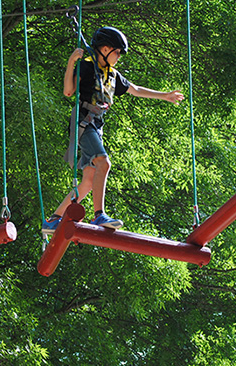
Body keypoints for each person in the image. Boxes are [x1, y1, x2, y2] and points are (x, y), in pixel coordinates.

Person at [42, 26, 184, 234]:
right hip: (83, 120)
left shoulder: (112, 75)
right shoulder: (87, 67)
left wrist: (165, 95)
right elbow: (68, 91)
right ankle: (99, 214)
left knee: (89, 181)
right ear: (106, 49)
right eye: (117, 52)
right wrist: (72, 62)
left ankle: (54, 219)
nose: (118, 57)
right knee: (103, 162)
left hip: (96, 125)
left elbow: (135, 90)